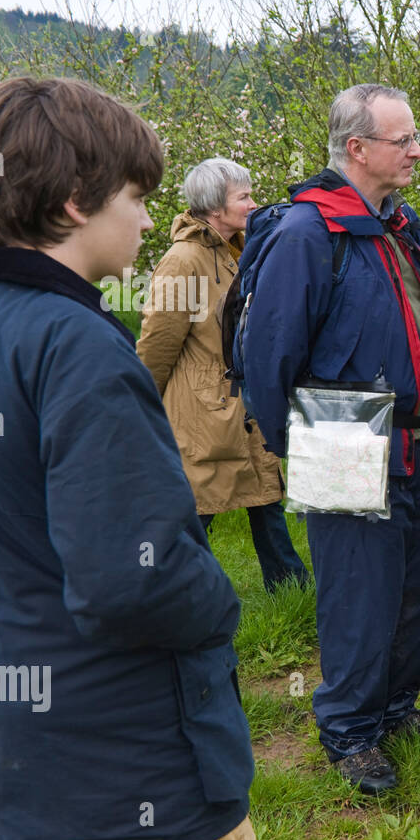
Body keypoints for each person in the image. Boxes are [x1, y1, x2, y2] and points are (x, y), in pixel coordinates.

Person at [0, 77, 257, 840]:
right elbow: (130, 579)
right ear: (79, 200)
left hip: (18, 753)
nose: (151, 216)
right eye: (135, 195)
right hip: (130, 772)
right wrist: (218, 601)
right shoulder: (78, 345)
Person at [238, 84, 420, 796]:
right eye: (406, 141)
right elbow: (267, 359)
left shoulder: (399, 223)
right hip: (344, 444)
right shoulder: (310, 235)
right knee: (358, 598)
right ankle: (350, 731)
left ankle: (395, 709)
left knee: (414, 593)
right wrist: (308, 450)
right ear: (357, 148)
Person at [136, 157, 309, 593]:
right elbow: (158, 343)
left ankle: (290, 589)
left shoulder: (238, 250)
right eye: (244, 196)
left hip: (242, 402)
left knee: (264, 495)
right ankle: (162, 593)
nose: (254, 203)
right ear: (215, 206)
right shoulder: (183, 261)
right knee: (198, 507)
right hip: (203, 409)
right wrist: (142, 407)